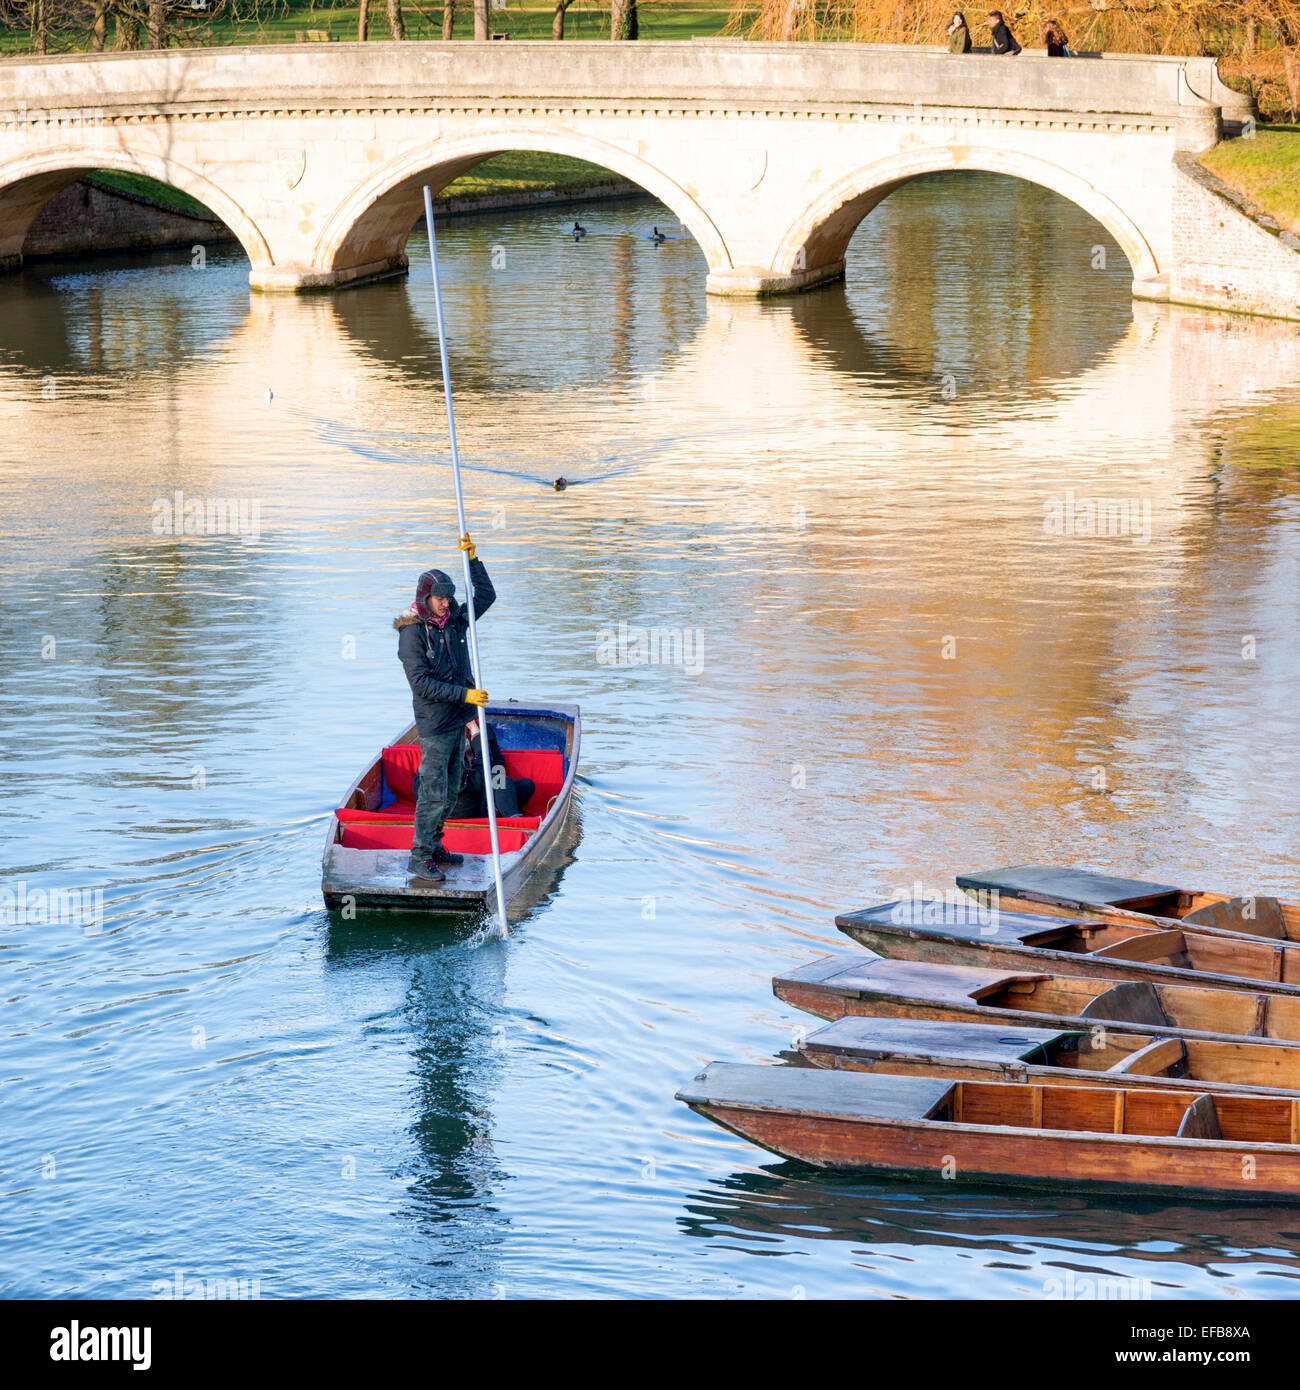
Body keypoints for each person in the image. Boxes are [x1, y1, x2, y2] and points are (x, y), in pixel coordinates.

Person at [394, 537, 496, 881]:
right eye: (439, 598)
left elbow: (486, 597)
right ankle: (419, 855)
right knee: (433, 791)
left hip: (457, 720)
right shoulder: (412, 634)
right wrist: (465, 696)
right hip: (435, 723)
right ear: (425, 598)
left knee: (452, 789)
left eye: (448, 597)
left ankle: (435, 845)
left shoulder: (454, 621)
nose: (445, 603)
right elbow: (421, 685)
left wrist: (473, 560)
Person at [449, 720, 535, 821]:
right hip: (468, 789)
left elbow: (497, 760)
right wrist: (475, 733)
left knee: (525, 785)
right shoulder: (449, 731)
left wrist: (494, 785)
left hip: (484, 780)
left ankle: (499, 807)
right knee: (504, 782)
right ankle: (513, 820)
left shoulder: (483, 727)